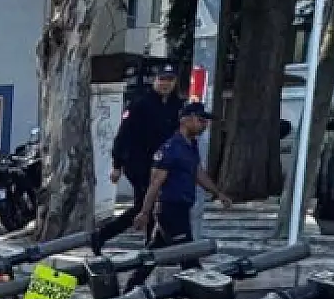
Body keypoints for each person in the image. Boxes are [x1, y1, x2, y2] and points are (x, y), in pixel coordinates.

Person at [96, 64, 183, 248]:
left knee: (151, 205)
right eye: (162, 79)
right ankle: (103, 236)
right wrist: (117, 165)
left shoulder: (176, 105)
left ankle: (151, 244)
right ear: (155, 80)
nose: (166, 84)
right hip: (139, 164)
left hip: (162, 165)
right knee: (146, 204)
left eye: (170, 80)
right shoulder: (141, 104)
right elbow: (123, 135)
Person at [134, 101, 233, 245]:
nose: (205, 125)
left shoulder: (191, 145)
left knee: (158, 252)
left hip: (182, 208)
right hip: (170, 209)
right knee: (186, 251)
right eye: (201, 120)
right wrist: (144, 212)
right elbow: (155, 183)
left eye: (206, 122)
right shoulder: (171, 148)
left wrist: (218, 193)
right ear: (185, 120)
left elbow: (198, 173)